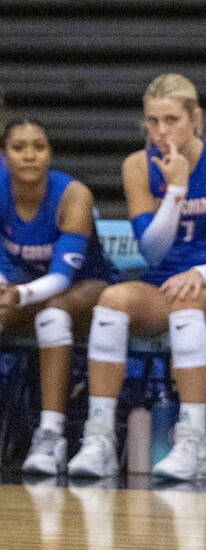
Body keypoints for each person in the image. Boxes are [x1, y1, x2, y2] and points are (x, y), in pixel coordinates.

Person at [66, 73, 206, 480]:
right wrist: (176, 191)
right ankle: (99, 439)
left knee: (187, 302)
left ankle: (193, 441)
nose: (161, 131)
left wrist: (201, 274)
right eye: (153, 121)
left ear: (195, 118)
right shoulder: (137, 165)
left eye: (172, 119)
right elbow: (152, 251)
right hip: (163, 279)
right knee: (111, 301)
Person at [0, 119, 120, 475]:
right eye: (19, 147)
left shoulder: (73, 195)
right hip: (24, 291)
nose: (30, 155)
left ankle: (51, 435)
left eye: (39, 146)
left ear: (50, 153)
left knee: (51, 313)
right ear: (4, 156)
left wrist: (17, 294)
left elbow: (61, 277)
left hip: (86, 288)